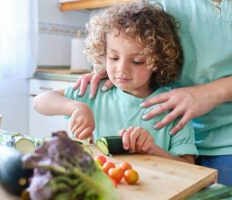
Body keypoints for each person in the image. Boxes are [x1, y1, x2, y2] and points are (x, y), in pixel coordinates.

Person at [74, 0, 232, 185]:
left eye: (138, 61)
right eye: (114, 57)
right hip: (178, 132)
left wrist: (212, 92)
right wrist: (113, 66)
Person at [34, 2, 197, 164]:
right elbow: (40, 101)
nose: (122, 69)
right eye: (114, 58)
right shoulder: (95, 91)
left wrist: (153, 150)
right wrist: (76, 107)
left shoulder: (173, 106)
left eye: (137, 61)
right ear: (103, 55)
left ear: (158, 61)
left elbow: (190, 166)